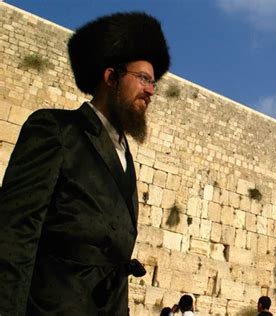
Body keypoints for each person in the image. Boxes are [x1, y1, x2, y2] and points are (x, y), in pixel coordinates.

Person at [0, 11, 170, 315]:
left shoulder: (124, 154)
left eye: (153, 82)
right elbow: (14, 236)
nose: (151, 90)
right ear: (111, 77)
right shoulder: (56, 130)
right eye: (143, 78)